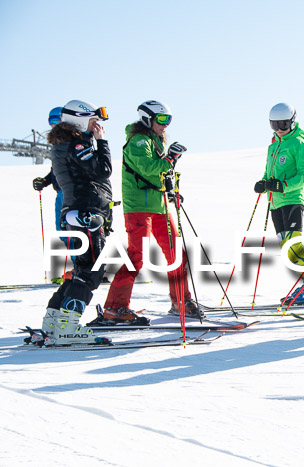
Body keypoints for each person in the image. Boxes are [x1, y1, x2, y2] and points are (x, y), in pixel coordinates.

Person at [101, 100, 199, 324]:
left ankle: (181, 301)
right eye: (161, 120)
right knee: (136, 256)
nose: (165, 125)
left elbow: (162, 174)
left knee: (176, 254)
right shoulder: (138, 141)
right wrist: (171, 158)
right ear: (147, 119)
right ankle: (114, 308)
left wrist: (172, 189)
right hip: (138, 208)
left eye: (168, 120)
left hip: (159, 206)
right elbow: (149, 169)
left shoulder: (156, 141)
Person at [29, 100, 112, 346]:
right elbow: (103, 170)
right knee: (92, 271)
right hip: (85, 212)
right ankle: (67, 326)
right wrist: (102, 142)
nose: (96, 124)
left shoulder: (63, 144)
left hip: (76, 212)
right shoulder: (77, 144)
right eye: (91, 119)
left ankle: (53, 322)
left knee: (81, 270)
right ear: (78, 120)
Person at [254, 103, 304, 304]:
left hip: (292, 200)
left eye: (283, 124)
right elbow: (270, 174)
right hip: (275, 204)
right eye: (274, 125)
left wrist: (283, 185)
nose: (279, 129)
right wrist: (263, 183)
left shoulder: (299, 144)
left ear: (292, 121)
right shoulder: (273, 145)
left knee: (294, 245)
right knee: (287, 249)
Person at [32, 107, 75, 283]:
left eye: (57, 121)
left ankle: (79, 270)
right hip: (60, 194)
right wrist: (45, 181)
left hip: (71, 192)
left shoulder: (72, 142)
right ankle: (70, 270)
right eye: (51, 123)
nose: (54, 126)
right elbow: (55, 170)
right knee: (63, 232)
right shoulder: (58, 145)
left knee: (73, 231)